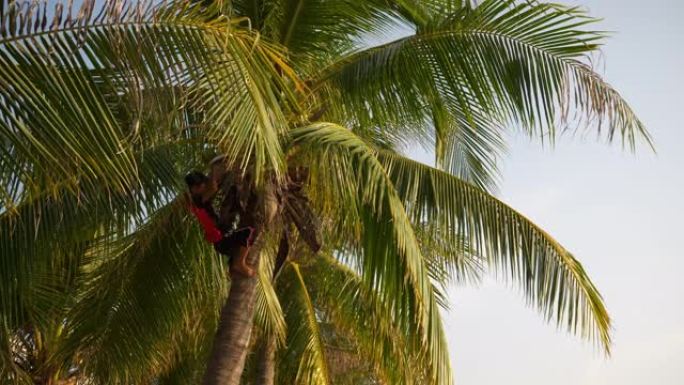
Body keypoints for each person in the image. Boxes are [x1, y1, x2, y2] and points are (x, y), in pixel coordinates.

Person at [185, 170, 256, 277]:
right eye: (199, 185)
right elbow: (213, 186)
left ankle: (233, 268)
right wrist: (217, 168)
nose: (203, 186)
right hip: (223, 240)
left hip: (224, 240)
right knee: (249, 232)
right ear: (194, 189)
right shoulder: (199, 200)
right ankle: (239, 263)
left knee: (239, 242)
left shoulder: (206, 198)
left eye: (202, 183)